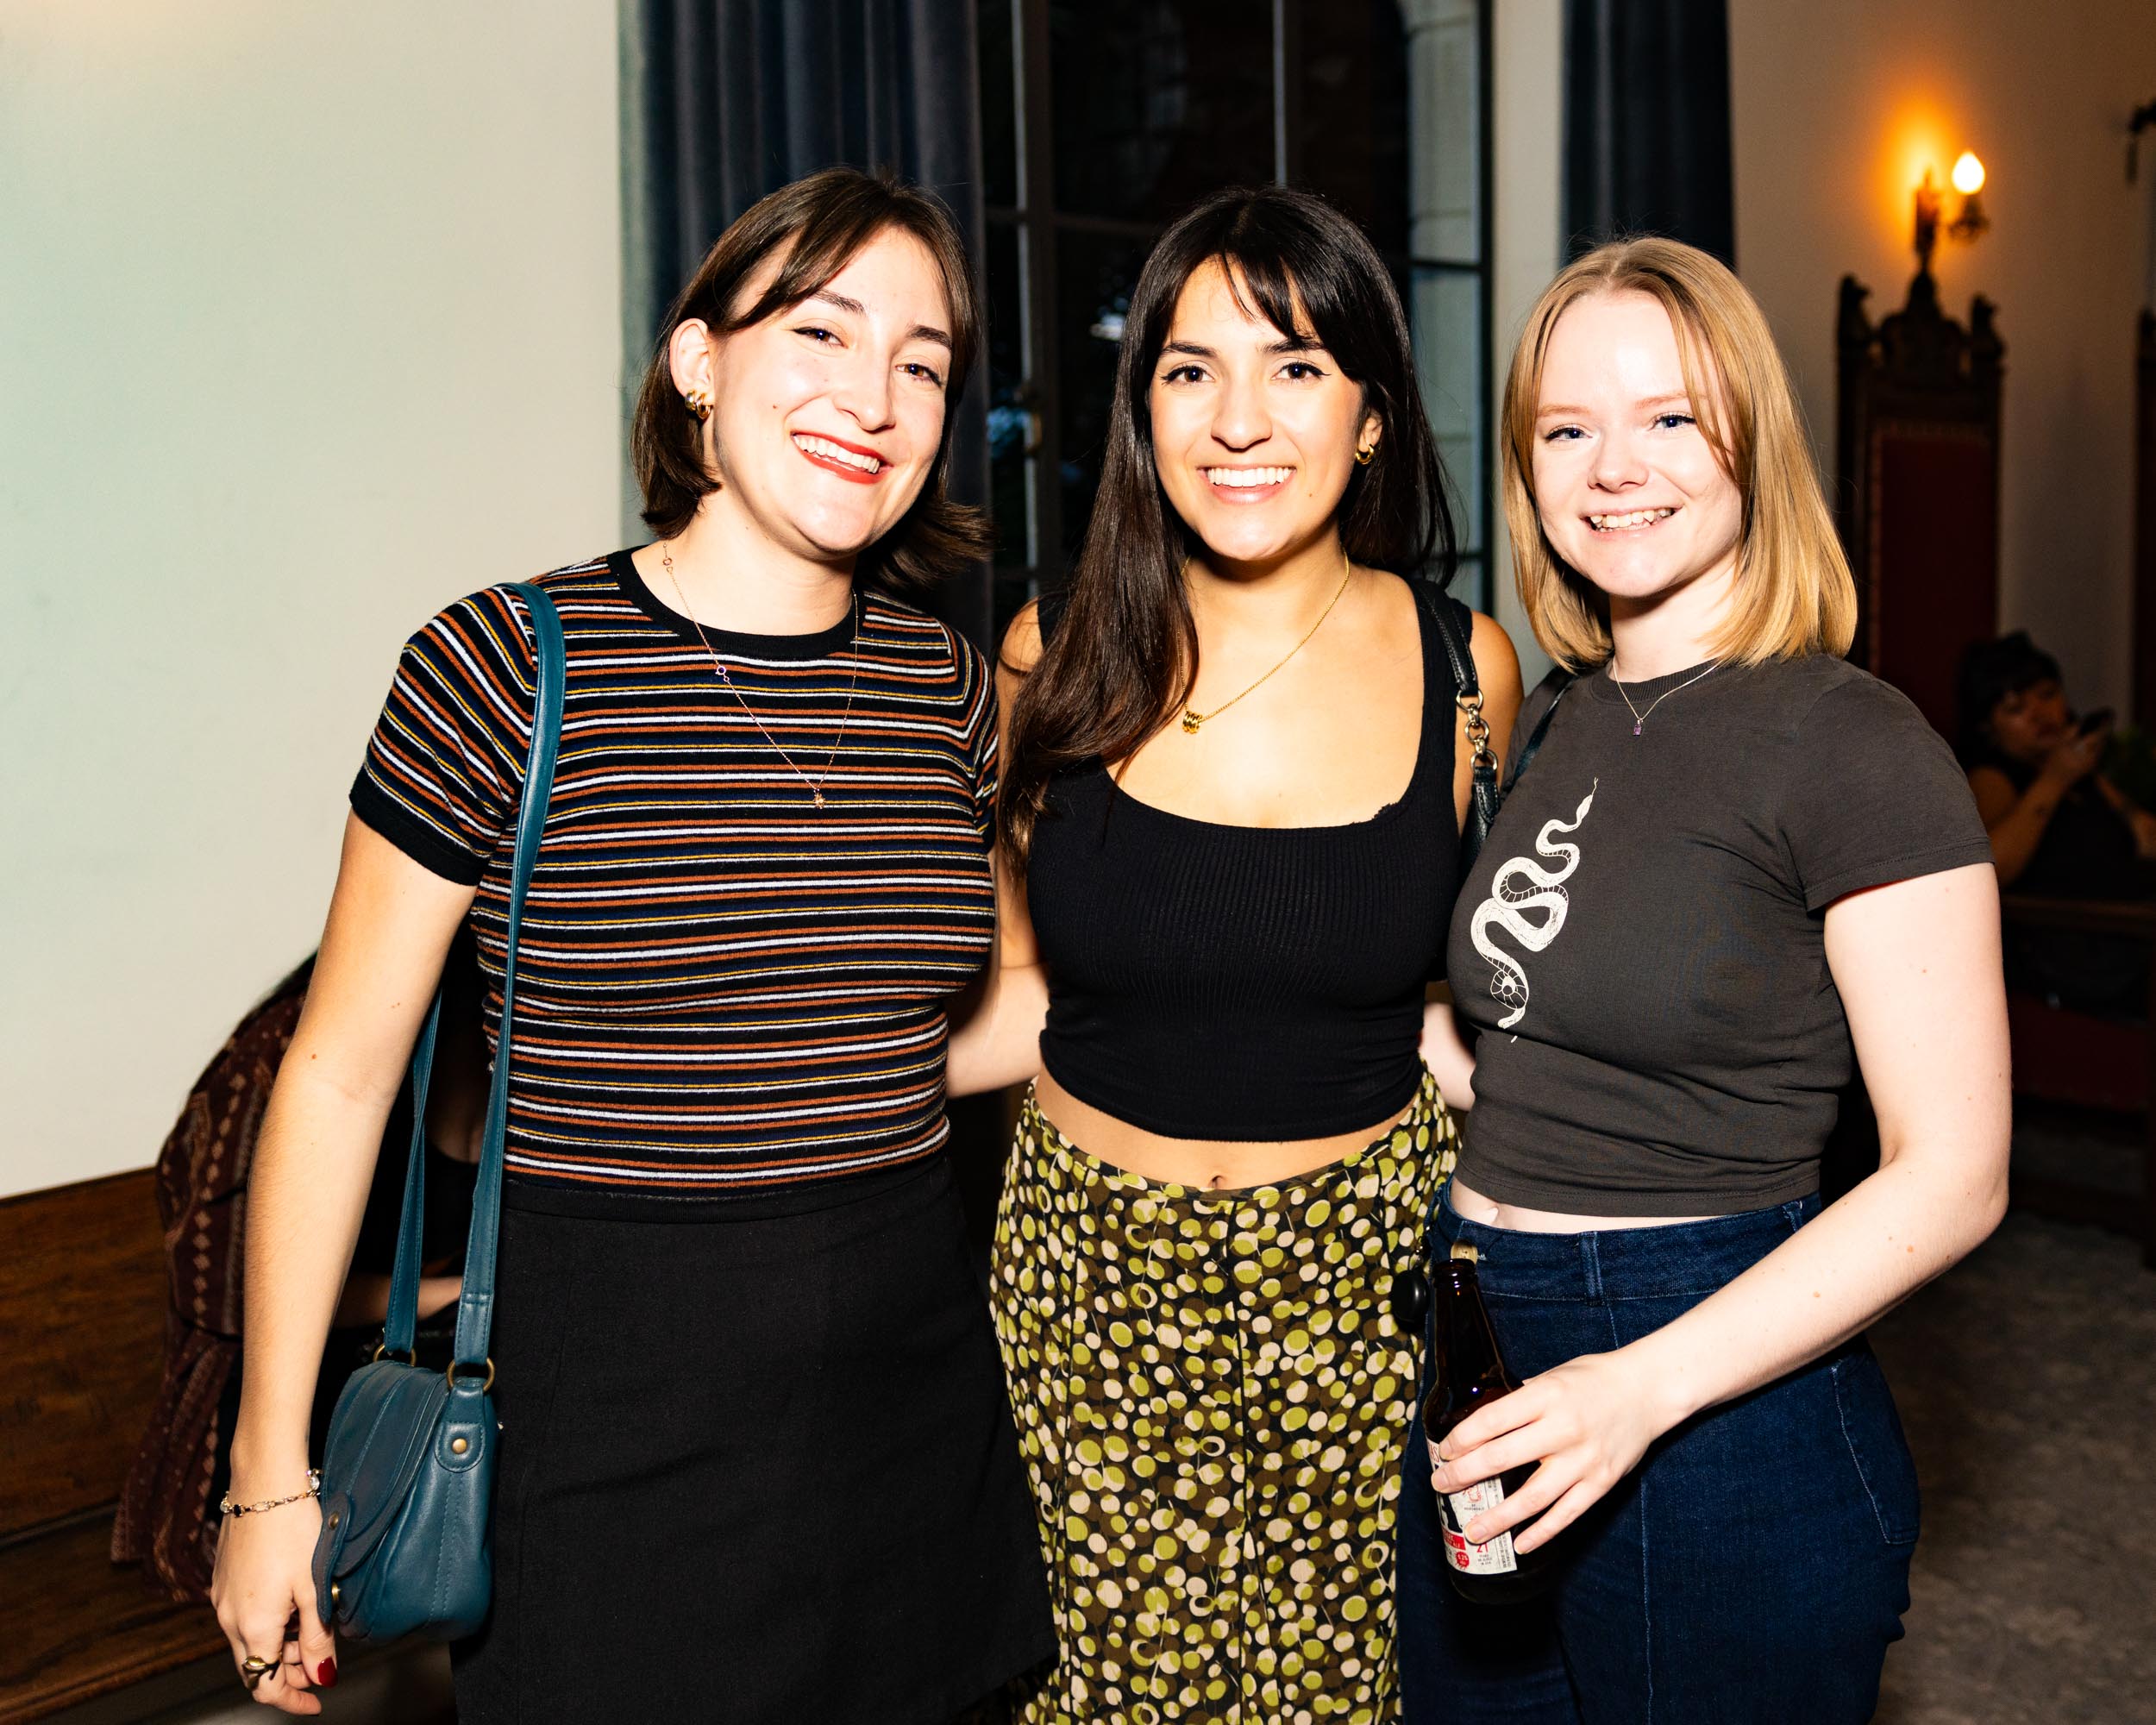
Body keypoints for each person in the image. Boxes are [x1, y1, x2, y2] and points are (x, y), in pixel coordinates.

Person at [208, 167, 1053, 1722]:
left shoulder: (948, 692)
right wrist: (269, 1475)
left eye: (923, 363)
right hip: (611, 1447)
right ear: (698, 363)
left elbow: (988, 1018)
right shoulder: (501, 667)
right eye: (821, 332)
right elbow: (337, 1078)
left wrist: (1285, 1010)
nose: (874, 396)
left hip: (910, 1427)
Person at [1399, 237, 2010, 1724]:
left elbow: (1957, 1175)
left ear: (1753, 438)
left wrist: (1641, 1386)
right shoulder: (1560, 714)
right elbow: (1553, 1012)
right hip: (1488, 1346)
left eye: (1669, 416)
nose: (1615, 467)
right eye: (1567, 429)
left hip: (1711, 1383)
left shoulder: (1852, 742)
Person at [951, 185, 1521, 1723]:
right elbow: (1021, 991)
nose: (1239, 419)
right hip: (1084, 1290)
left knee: (1348, 1694)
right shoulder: (1049, 654)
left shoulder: (1466, 669)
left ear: (1374, 417)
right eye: (1191, 369)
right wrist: (780, 1076)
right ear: (1145, 412)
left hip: (1360, 1298)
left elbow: (1453, 985)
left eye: (1296, 366)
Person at [1958, 630, 2156, 1013]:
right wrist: (2055, 779)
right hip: (2075, 952)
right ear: (1989, 727)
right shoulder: (1994, 777)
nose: (2040, 714)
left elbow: (2143, 834)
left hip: (2129, 935)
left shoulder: (2079, 770)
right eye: (2016, 708)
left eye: (2047, 695)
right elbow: (1992, 867)